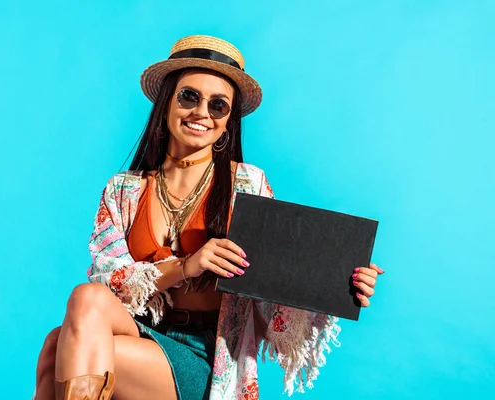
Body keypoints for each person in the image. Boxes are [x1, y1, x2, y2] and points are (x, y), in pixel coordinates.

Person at [34, 35, 384, 400]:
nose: (202, 113)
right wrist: (187, 265)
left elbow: (275, 290)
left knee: (61, 351)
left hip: (205, 356)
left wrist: (341, 281)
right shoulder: (123, 190)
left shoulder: (246, 185)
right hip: (138, 331)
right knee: (84, 301)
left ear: (228, 121)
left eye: (218, 105)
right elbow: (112, 284)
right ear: (166, 102)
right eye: (189, 97)